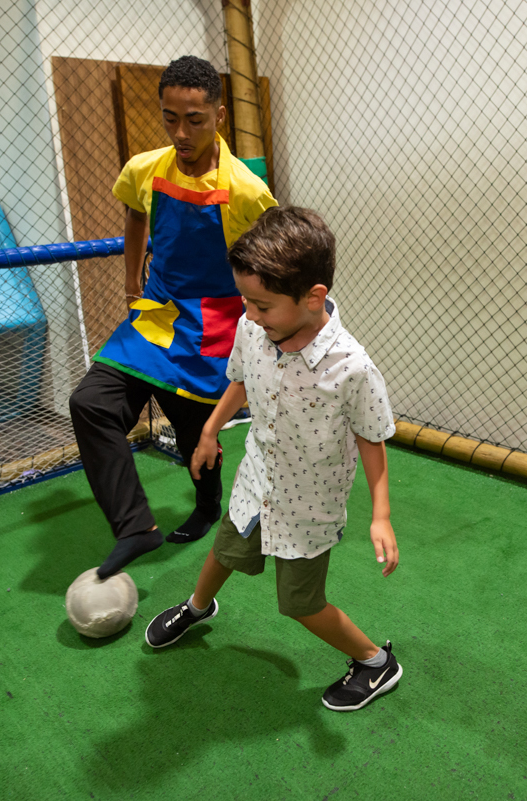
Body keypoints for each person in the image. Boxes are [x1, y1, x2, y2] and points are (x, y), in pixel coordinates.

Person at [144, 206, 403, 712]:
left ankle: (376, 662)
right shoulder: (252, 329)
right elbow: (241, 381)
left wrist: (381, 514)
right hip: (256, 479)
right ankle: (198, 607)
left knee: (300, 603)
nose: (251, 314)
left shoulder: (352, 368)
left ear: (313, 297)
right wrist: (209, 431)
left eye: (262, 305)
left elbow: (372, 438)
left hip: (309, 505)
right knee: (226, 547)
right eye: (246, 301)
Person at [69, 56, 277, 579]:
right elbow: (135, 213)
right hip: (156, 315)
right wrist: (131, 281)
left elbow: (273, 260)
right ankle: (135, 526)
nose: (181, 133)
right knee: (91, 403)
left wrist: (266, 327)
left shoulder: (246, 189)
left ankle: (208, 506)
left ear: (219, 117)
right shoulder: (144, 169)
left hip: (212, 327)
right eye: (170, 118)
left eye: (194, 120)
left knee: (195, 437)